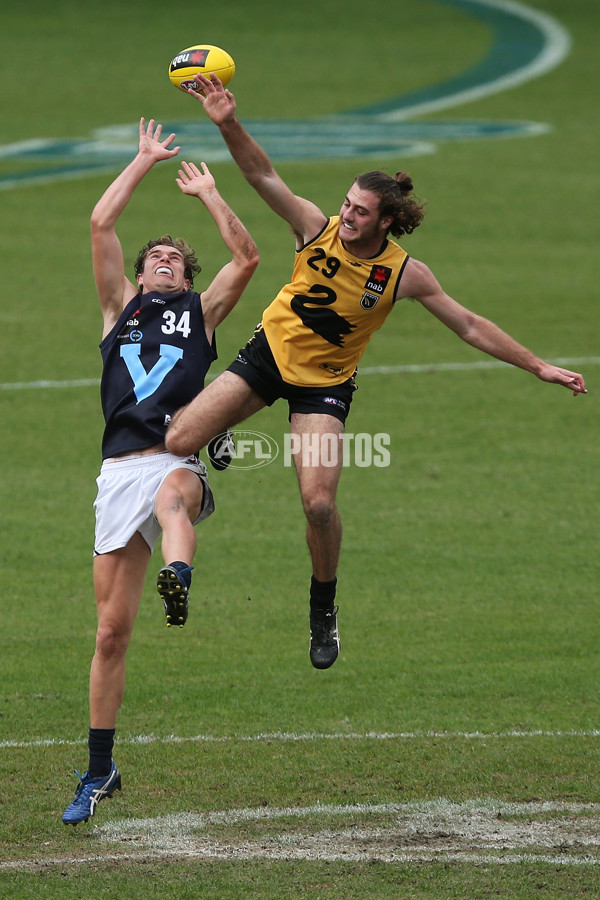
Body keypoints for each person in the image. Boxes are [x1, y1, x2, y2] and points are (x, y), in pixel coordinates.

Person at [165, 73, 587, 673]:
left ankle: (322, 608)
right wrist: (227, 122)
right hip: (268, 357)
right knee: (180, 438)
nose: (347, 216)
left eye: (360, 212)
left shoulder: (403, 274)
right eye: (346, 204)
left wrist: (538, 364)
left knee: (317, 505)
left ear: (385, 220)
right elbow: (262, 175)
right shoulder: (315, 228)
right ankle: (224, 427)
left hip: (325, 386)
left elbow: (468, 324)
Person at [62, 117, 259, 825]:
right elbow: (100, 222)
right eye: (157, 257)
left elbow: (247, 256)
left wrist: (209, 193)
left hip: (175, 459)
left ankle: (181, 574)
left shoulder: (202, 315)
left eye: (176, 257)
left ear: (186, 274)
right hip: (117, 474)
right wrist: (143, 161)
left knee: (180, 498)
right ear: (141, 273)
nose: (166, 261)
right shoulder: (119, 309)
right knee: (111, 634)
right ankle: (99, 768)